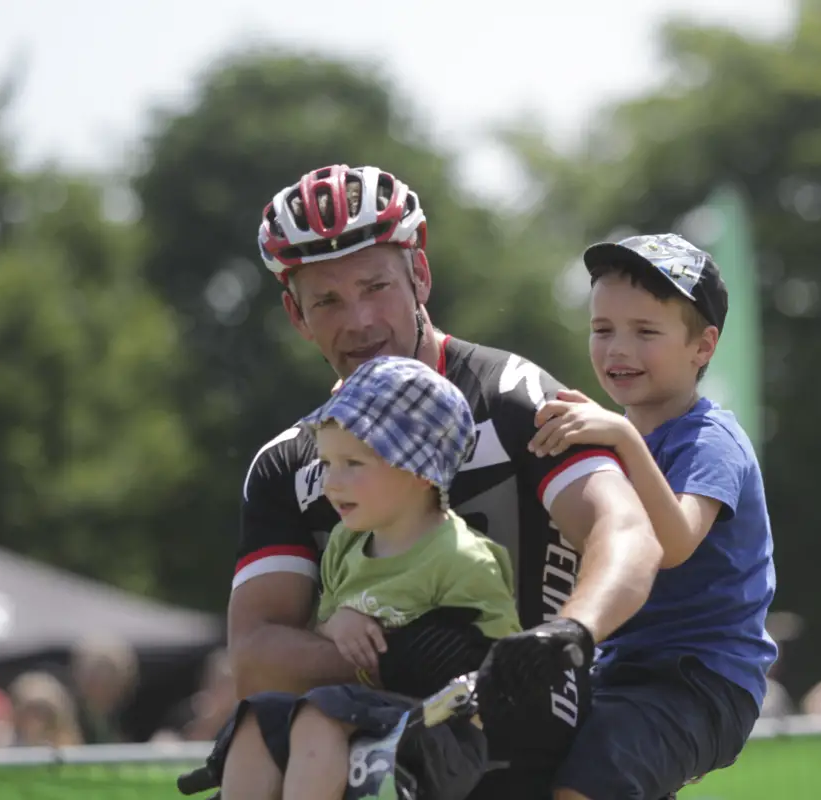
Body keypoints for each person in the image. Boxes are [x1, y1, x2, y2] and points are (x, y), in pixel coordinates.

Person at [222, 164, 661, 799]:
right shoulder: (287, 464)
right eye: (328, 301)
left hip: (535, 756)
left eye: (377, 286)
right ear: (297, 315)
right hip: (382, 755)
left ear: (419, 276)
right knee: (253, 735)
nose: (361, 320)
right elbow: (256, 655)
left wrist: (568, 631)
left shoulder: (515, 398)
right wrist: (400, 656)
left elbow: (627, 533)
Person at [521, 232, 776, 799]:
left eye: (645, 332)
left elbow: (676, 542)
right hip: (620, 670)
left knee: (587, 781)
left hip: (700, 679)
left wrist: (620, 440)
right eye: (602, 329)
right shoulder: (610, 442)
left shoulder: (712, 441)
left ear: (703, 347)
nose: (618, 350)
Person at [276, 355, 519, 800]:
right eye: (327, 463)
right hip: (353, 721)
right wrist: (337, 623)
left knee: (315, 714)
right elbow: (324, 628)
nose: (331, 483)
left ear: (417, 467)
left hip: (435, 739)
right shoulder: (342, 546)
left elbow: (501, 668)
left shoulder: (464, 558)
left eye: (352, 463)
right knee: (258, 719)